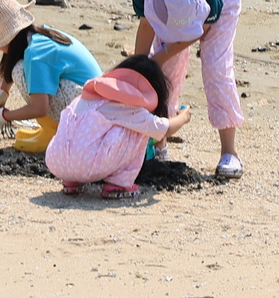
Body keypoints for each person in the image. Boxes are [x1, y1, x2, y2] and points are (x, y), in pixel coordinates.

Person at [132, 0, 247, 181]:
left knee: (215, 65)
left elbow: (196, 33)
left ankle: (229, 152)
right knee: (163, 71)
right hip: (168, 0)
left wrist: (160, 57)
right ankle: (159, 144)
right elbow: (146, 25)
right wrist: (140, 70)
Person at [43, 55, 189, 199]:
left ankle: (72, 181)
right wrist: (183, 117)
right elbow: (164, 129)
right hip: (86, 166)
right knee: (141, 127)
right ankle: (119, 184)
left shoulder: (84, 97)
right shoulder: (126, 107)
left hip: (56, 162)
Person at [0, 0, 101, 150]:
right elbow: (13, 56)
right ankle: (52, 130)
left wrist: (3, 117)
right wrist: (1, 92)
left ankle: (53, 134)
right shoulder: (38, 35)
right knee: (20, 68)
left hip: (89, 117)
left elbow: (39, 108)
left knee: (19, 71)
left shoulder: (35, 55)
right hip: (95, 105)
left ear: (8, 36)